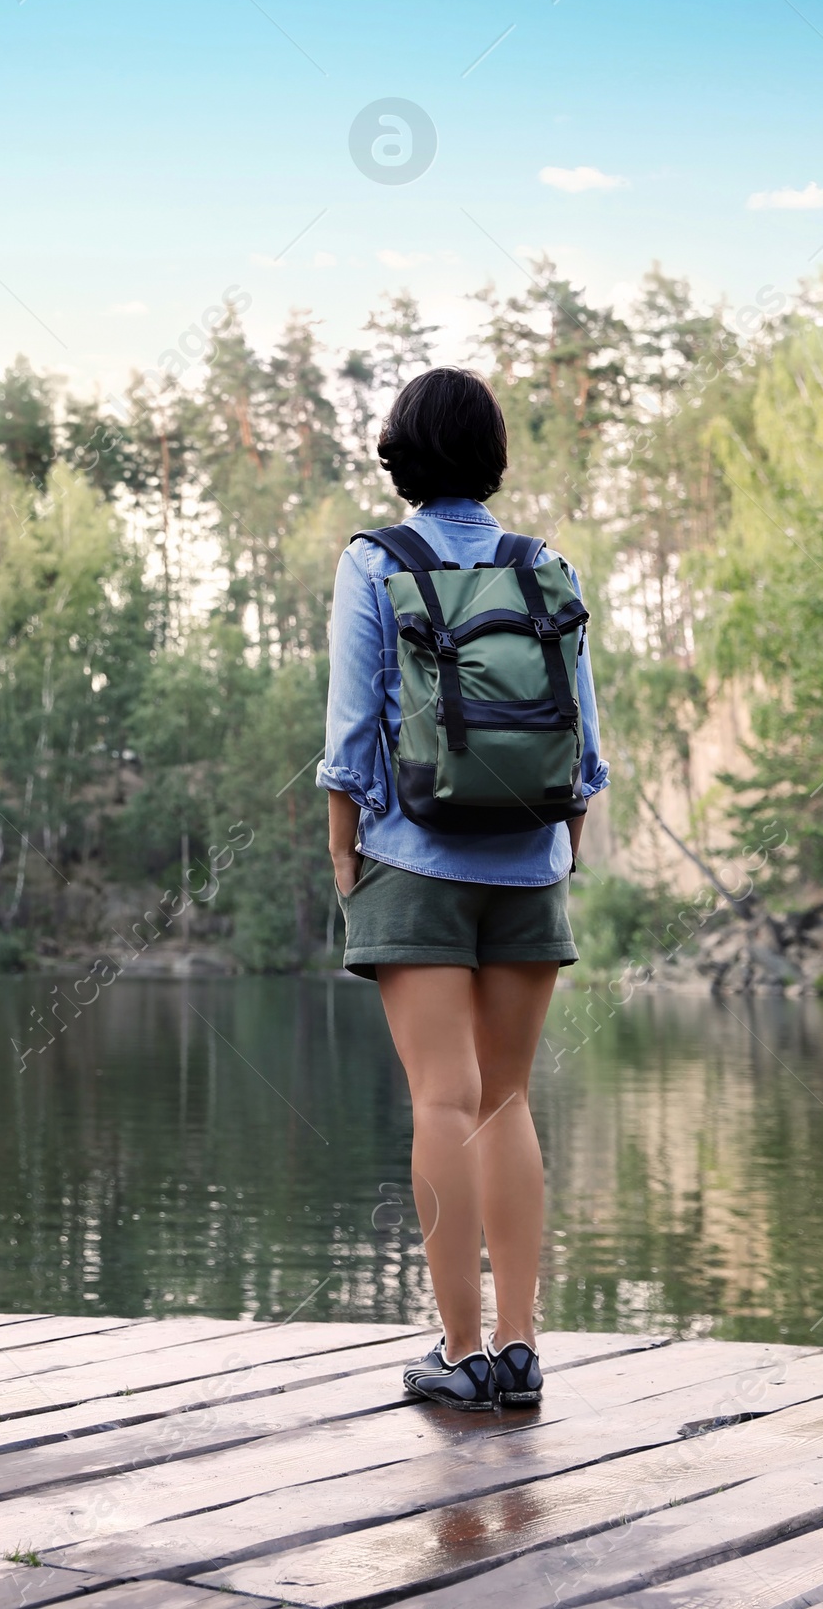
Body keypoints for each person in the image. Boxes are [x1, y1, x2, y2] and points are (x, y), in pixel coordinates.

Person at [320, 366, 608, 1410]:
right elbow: (584, 741)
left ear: (399, 454)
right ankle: (523, 1348)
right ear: (490, 455)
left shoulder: (373, 562)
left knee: (441, 1097)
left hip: (416, 858)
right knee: (507, 1098)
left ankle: (458, 1353)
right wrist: (556, 852)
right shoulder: (543, 565)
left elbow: (350, 736)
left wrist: (345, 855)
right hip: (529, 861)